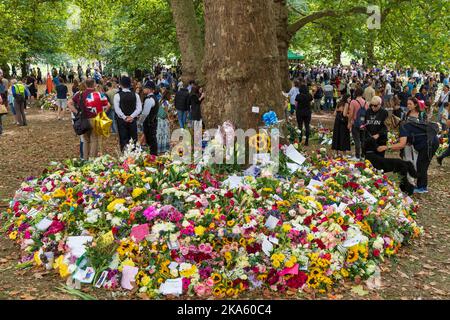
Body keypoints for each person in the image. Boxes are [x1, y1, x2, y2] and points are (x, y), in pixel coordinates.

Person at [378, 97, 439, 194]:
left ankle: (422, 187)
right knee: (421, 164)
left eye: (390, 127)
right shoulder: (405, 122)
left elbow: (402, 144)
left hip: (430, 143)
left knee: (421, 165)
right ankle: (421, 186)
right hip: (430, 140)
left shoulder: (403, 125)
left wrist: (386, 147)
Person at [114, 76, 143, 151]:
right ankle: (134, 157)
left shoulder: (117, 95)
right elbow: (139, 108)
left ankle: (124, 157)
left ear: (121, 84)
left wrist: (124, 117)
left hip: (122, 121)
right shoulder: (136, 95)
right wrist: (132, 116)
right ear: (130, 84)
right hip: (132, 120)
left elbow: (117, 109)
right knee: (133, 138)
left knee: (123, 139)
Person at [139, 81, 159, 155]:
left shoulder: (149, 99)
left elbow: (145, 113)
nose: (143, 89)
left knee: (151, 141)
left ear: (149, 89)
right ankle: (153, 155)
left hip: (149, 123)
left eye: (145, 88)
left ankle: (153, 156)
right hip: (152, 122)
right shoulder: (153, 98)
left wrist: (139, 122)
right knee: (151, 140)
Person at [347, 87, 368, 160]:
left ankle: (357, 156)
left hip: (355, 123)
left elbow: (350, 114)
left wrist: (349, 123)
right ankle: (363, 155)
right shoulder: (366, 102)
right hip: (364, 124)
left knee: (357, 140)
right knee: (363, 140)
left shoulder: (353, 102)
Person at [157, 89, 171, 154]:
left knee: (159, 134)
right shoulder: (166, 102)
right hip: (163, 120)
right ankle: (165, 148)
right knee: (165, 133)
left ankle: (159, 148)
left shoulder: (160, 100)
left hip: (159, 119)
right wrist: (169, 119)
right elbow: (166, 111)